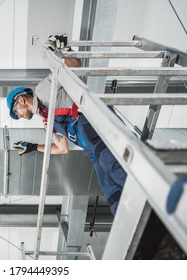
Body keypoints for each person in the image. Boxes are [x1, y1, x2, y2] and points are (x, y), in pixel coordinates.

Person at [7, 58, 127, 215]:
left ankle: (151, 201)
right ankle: (130, 222)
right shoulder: (47, 122)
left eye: (17, 112)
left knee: (116, 169)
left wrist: (63, 56)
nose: (19, 116)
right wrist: (34, 147)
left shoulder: (42, 91)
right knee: (110, 190)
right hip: (91, 147)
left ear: (21, 100)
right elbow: (62, 148)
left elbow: (74, 64)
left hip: (92, 123)